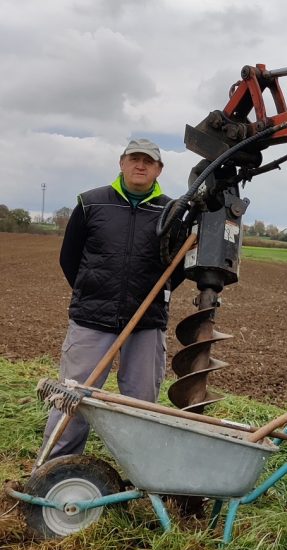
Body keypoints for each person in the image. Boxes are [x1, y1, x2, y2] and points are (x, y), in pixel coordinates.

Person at [40, 138, 182, 458]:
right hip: (92, 318)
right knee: (72, 398)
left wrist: (155, 296)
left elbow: (179, 267)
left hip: (146, 323)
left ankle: (136, 477)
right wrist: (92, 291)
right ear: (121, 163)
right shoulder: (91, 203)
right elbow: (69, 258)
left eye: (148, 161)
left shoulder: (172, 212)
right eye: (134, 159)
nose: (140, 165)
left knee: (140, 404)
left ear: (159, 169)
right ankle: (55, 469)